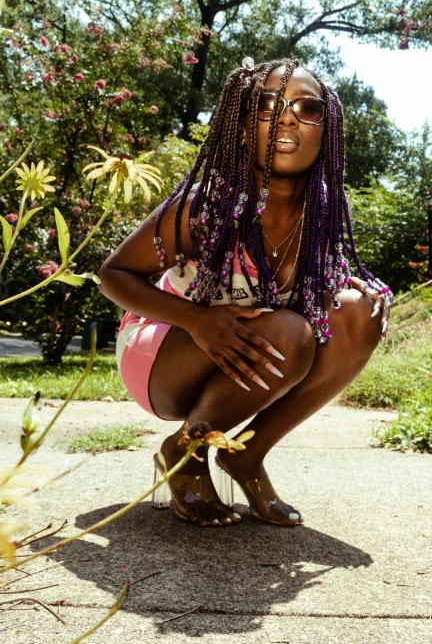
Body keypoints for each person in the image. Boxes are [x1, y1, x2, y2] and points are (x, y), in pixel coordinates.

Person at [97, 57, 394, 528]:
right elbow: (113, 274)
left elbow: (306, 301)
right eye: (267, 106)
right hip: (164, 353)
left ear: (326, 131)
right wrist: (196, 320)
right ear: (239, 128)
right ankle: (185, 452)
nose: (288, 116)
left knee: (359, 313)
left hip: (244, 353)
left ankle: (247, 455)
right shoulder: (206, 208)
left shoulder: (317, 223)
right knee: (289, 332)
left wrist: (346, 285)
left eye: (307, 107)